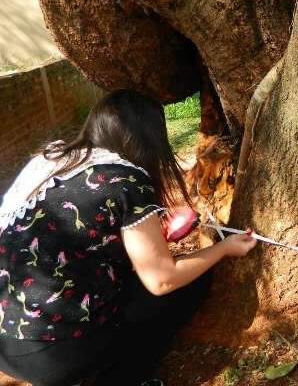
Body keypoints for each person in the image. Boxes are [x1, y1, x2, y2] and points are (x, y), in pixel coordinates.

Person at [0, 89, 257, 386]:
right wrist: (223, 248)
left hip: (6, 341)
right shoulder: (126, 179)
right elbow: (161, 280)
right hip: (53, 353)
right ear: (149, 139)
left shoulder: (51, 159)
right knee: (188, 286)